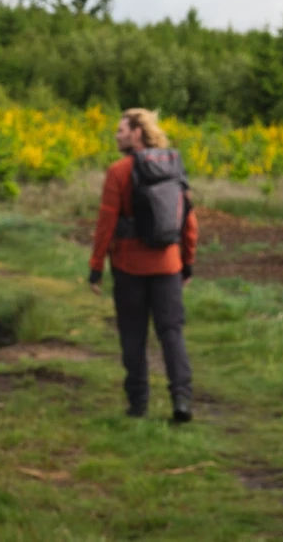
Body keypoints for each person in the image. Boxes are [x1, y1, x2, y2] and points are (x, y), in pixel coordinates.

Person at [88, 108, 200, 422]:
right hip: (169, 266)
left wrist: (96, 267)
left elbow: (106, 224)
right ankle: (182, 400)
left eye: (122, 129)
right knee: (172, 332)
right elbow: (189, 223)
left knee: (133, 335)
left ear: (138, 132)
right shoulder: (173, 166)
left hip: (129, 267)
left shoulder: (119, 171)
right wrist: (187, 262)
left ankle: (138, 405)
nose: (117, 135)